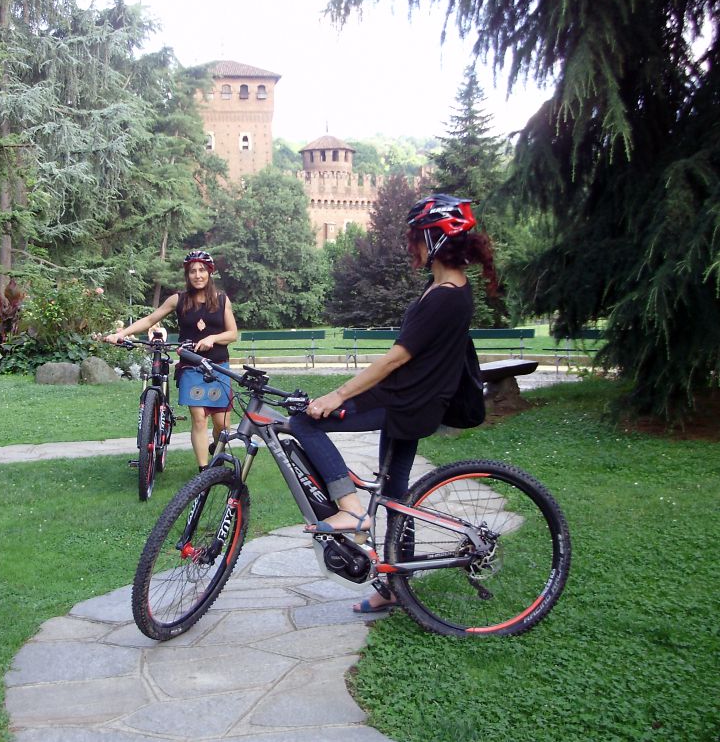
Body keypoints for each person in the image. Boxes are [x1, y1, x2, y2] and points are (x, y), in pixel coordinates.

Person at [289, 194, 498, 613]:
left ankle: (351, 511)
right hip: (416, 401)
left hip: (404, 401)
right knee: (397, 496)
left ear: (435, 239)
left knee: (303, 423)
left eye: (416, 238)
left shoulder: (444, 297)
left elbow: (395, 358)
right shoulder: (447, 288)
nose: (412, 247)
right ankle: (395, 587)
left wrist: (337, 395)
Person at [104, 251, 239, 470]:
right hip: (191, 366)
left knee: (222, 424)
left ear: (209, 273)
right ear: (187, 275)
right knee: (198, 417)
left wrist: (213, 338)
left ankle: (216, 444)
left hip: (217, 366)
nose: (197, 275)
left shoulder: (222, 300)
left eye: (202, 270)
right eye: (193, 271)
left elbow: (232, 333)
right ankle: (204, 471)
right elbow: (150, 319)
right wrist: (122, 334)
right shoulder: (179, 299)